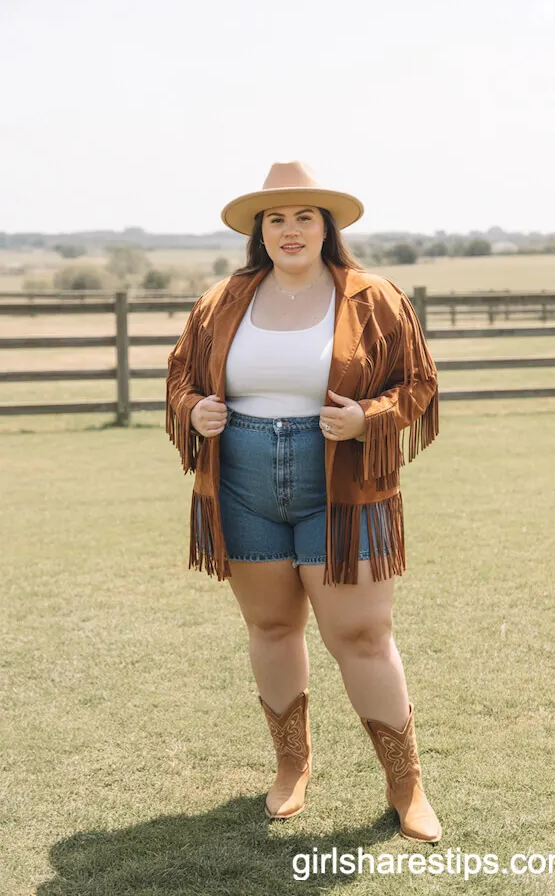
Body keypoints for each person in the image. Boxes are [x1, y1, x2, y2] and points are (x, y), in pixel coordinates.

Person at [165, 160, 442, 842]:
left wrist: (369, 420)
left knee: (363, 636)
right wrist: (195, 408)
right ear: (260, 231)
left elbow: (419, 386)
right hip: (243, 481)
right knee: (271, 630)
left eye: (304, 216)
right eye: (276, 219)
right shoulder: (221, 300)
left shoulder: (373, 297)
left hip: (344, 487)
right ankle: (292, 768)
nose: (290, 230)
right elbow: (180, 379)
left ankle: (406, 787)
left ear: (328, 226)